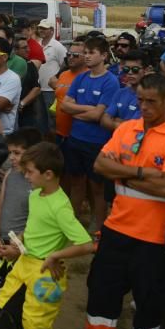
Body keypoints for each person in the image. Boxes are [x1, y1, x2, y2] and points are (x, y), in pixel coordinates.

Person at [70, 74, 165, 329]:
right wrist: (142, 173)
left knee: (149, 305)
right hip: (115, 229)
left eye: (152, 101)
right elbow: (101, 165)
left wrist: (122, 171)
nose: (144, 106)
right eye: (140, 100)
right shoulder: (127, 128)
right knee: (101, 293)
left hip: (152, 239)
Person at [0, 143, 95, 329]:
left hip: (45, 274)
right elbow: (32, 228)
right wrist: (17, 246)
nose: (25, 174)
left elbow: (86, 244)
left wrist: (55, 255)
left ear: (48, 174)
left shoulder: (60, 207)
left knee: (35, 323)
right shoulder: (37, 195)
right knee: (4, 307)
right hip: (24, 264)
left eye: (30, 172)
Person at [60, 36, 119, 227]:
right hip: (75, 138)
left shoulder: (111, 81)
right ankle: (72, 222)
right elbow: (65, 106)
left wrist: (77, 110)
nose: (86, 56)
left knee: (97, 186)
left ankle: (98, 223)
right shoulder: (81, 77)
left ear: (103, 56)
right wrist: (88, 110)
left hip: (97, 142)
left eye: (91, 53)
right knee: (76, 181)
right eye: (85, 52)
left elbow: (98, 115)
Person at [0, 130, 36, 319]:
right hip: (2, 244)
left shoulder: (36, 184)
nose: (11, 157)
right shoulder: (10, 174)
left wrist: (19, 248)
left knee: (14, 297)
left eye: (17, 153)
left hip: (21, 249)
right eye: (11, 152)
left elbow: (37, 221)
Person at [100, 48, 149, 133]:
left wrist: (114, 121)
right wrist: (121, 123)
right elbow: (104, 121)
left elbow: (135, 128)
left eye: (135, 69)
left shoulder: (149, 97)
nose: (130, 73)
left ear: (146, 70)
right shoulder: (120, 92)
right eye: (126, 69)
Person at [50, 40, 86, 146]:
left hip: (77, 135)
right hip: (59, 133)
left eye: (75, 55)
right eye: (69, 54)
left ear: (85, 56)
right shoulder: (63, 75)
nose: (71, 57)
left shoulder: (88, 77)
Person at [36, 19, 66, 115]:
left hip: (50, 90)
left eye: (44, 28)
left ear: (52, 30)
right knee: (39, 118)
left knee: (52, 119)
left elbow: (65, 64)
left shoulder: (57, 46)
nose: (41, 30)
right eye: (40, 28)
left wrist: (56, 78)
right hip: (37, 89)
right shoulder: (37, 44)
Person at [14, 36, 44, 130]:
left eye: (28, 47)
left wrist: (22, 104)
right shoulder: (8, 65)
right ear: (15, 50)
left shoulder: (30, 65)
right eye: (24, 48)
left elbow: (36, 88)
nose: (28, 50)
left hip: (26, 112)